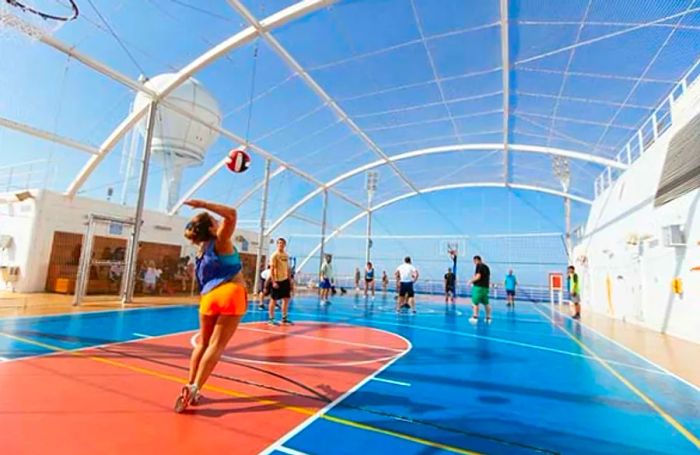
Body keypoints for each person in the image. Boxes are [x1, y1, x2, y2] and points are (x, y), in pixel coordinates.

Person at [176, 199, 247, 413]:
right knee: (217, 346)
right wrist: (203, 205)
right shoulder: (221, 241)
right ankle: (196, 388)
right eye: (215, 221)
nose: (219, 221)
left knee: (203, 344)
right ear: (210, 228)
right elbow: (232, 213)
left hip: (208, 298)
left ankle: (190, 383)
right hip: (231, 292)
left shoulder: (201, 251)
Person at [269, 238, 293, 325]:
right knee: (273, 300)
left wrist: (290, 281)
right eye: (279, 243)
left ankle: (284, 318)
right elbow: (272, 269)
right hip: (277, 280)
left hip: (285, 280)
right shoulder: (274, 255)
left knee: (286, 299)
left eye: (282, 243)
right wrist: (273, 281)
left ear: (285, 245)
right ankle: (271, 319)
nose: (281, 245)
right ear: (277, 244)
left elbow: (288, 269)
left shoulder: (286, 255)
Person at [468, 255, 491, 324]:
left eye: (474, 261)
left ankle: (475, 317)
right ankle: (488, 318)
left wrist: (471, 281)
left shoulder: (479, 265)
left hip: (478, 287)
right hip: (485, 288)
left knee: (475, 302)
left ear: (476, 260)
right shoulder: (487, 267)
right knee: (486, 303)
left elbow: (478, 277)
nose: (474, 263)